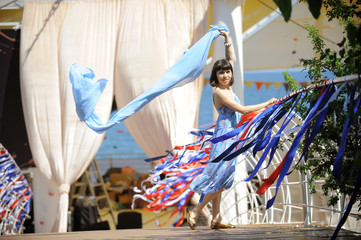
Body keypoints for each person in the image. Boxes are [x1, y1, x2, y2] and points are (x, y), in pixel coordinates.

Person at [187, 30, 276, 230]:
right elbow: (242, 109)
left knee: (221, 178)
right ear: (215, 76)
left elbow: (231, 59)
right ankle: (197, 209)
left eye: (227, 72)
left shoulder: (228, 87)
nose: (225, 75)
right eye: (221, 72)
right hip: (224, 138)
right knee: (222, 179)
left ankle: (217, 218)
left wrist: (227, 39)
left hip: (232, 137)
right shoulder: (219, 92)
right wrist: (266, 103)